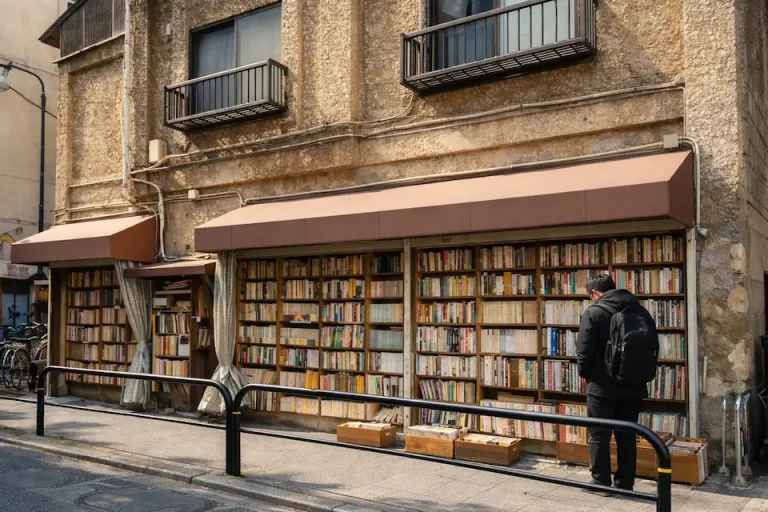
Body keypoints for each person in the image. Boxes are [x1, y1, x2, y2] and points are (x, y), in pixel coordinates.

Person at [576, 274, 658, 493]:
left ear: (594, 293)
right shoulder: (639, 311)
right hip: (633, 385)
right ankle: (625, 483)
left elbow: (583, 351)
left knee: (599, 435)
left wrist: (585, 374)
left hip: (602, 387)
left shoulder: (594, 312)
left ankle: (601, 481)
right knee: (627, 435)